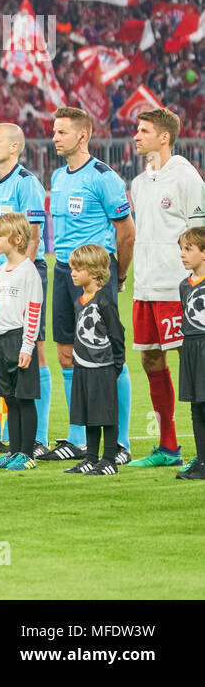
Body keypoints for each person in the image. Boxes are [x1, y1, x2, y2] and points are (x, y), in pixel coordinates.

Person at [43, 107, 135, 464]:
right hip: (63, 271)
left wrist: (118, 275)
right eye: (54, 132)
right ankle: (77, 437)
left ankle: (122, 442)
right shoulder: (59, 176)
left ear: (82, 136)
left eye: (61, 132)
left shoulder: (103, 177)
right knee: (67, 354)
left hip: (96, 276)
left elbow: (126, 233)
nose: (54, 138)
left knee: (106, 355)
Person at [0, 123, 51, 458]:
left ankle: (38, 437)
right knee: (4, 349)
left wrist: (22, 270)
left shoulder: (27, 183)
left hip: (25, 271)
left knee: (34, 348)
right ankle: (5, 432)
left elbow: (29, 235)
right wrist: (0, 231)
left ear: (14, 147)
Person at [127, 108, 205, 469]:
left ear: (164, 137)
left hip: (178, 290)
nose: (136, 136)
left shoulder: (186, 178)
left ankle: (200, 451)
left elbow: (199, 236)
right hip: (146, 287)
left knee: (191, 364)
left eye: (143, 131)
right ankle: (168, 447)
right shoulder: (140, 182)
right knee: (150, 359)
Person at [0, 213, 45, 472]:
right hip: (1, 340)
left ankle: (27, 453)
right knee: (9, 398)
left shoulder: (28, 271)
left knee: (24, 398)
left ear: (17, 239)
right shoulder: (0, 272)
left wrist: (27, 345)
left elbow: (33, 309)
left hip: (20, 340)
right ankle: (14, 450)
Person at [63, 244, 125, 476]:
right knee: (89, 414)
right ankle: (90, 458)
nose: (73, 273)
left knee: (105, 414)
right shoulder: (80, 300)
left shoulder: (105, 301)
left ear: (95, 271)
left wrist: (116, 365)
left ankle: (108, 460)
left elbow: (117, 334)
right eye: (72, 268)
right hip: (83, 366)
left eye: (78, 269)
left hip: (103, 367)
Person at [174, 227, 205, 480]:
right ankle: (201, 461)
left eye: (188, 249)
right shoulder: (184, 285)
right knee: (197, 407)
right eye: (181, 250)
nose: (182, 255)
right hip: (191, 348)